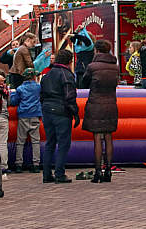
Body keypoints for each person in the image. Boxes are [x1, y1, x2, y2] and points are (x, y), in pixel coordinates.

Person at [81, 40, 119, 183]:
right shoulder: (115, 67)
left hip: (96, 103)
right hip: (111, 104)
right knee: (108, 136)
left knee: (97, 137)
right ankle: (108, 170)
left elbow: (84, 82)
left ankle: (98, 172)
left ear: (96, 50)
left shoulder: (92, 66)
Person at [40, 49, 79, 184]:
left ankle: (46, 174)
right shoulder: (66, 75)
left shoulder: (47, 75)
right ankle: (59, 173)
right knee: (63, 143)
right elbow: (70, 96)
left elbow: (41, 94)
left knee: (50, 142)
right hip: (61, 111)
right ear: (69, 61)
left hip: (47, 109)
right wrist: (75, 112)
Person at [10, 68, 42, 173]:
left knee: (20, 141)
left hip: (23, 115)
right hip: (35, 114)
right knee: (35, 141)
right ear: (33, 77)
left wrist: (12, 93)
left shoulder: (20, 88)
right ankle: (36, 164)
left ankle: (19, 164)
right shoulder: (38, 87)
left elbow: (13, 101)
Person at [0, 70, 11, 174]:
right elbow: (9, 102)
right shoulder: (5, 90)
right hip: (3, 117)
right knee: (3, 143)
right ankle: (4, 165)